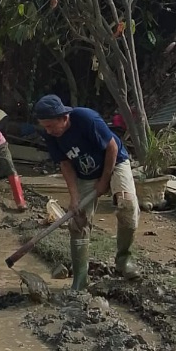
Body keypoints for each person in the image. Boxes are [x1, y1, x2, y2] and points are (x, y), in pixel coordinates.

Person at [34, 94, 140, 290]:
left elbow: (112, 147)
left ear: (63, 118)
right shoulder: (51, 135)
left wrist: (104, 181)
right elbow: (65, 164)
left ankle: (124, 259)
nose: (47, 131)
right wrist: (74, 197)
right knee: (78, 220)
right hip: (85, 174)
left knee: (127, 205)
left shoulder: (86, 118)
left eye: (50, 125)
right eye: (44, 126)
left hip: (115, 162)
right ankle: (80, 279)